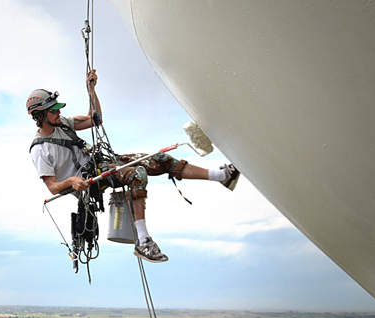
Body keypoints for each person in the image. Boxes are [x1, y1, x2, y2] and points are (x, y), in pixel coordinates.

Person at [28, 70, 240, 262]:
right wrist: (72, 181)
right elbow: (53, 187)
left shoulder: (63, 123)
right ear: (40, 115)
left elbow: (95, 119)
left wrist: (91, 90)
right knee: (137, 175)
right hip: (90, 181)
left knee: (160, 159)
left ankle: (221, 176)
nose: (57, 112)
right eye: (52, 110)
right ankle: (143, 241)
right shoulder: (40, 149)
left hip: (101, 162)